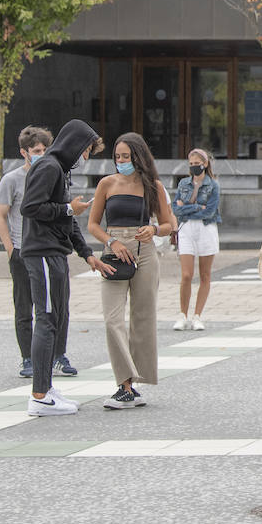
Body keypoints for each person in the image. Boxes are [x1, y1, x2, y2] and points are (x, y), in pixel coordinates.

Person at [86, 133, 177, 410]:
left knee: (143, 317)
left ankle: (134, 385)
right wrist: (110, 241)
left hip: (145, 251)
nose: (121, 161)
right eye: (117, 156)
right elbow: (92, 224)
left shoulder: (154, 186)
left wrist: (154, 230)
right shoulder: (106, 183)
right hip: (114, 250)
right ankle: (123, 383)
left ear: (138, 157)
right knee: (112, 319)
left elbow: (169, 223)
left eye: (126, 156)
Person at [18, 119, 103, 417]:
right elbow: (29, 207)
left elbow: (66, 221)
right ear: (76, 146)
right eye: (87, 151)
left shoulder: (58, 170)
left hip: (53, 252)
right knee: (47, 318)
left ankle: (46, 387)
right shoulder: (50, 167)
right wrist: (69, 208)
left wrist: (87, 253)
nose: (87, 157)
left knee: (55, 317)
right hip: (41, 252)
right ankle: (39, 396)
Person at [0, 125, 81, 380]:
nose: (41, 154)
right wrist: (10, 248)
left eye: (45, 149)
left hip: (49, 247)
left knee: (58, 305)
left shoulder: (56, 174)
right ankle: (28, 357)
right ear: (24, 152)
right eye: (36, 150)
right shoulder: (11, 180)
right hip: (23, 249)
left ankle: (58, 355)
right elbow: (0, 215)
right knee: (25, 306)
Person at [171, 148, 221, 331]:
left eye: (197, 164)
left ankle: (197, 315)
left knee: (205, 274)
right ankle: (182, 314)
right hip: (186, 228)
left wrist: (188, 207)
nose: (194, 167)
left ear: (205, 164)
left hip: (206, 228)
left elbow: (210, 210)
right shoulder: (184, 183)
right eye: (191, 164)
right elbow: (175, 209)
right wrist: (197, 207)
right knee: (186, 275)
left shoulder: (213, 185)